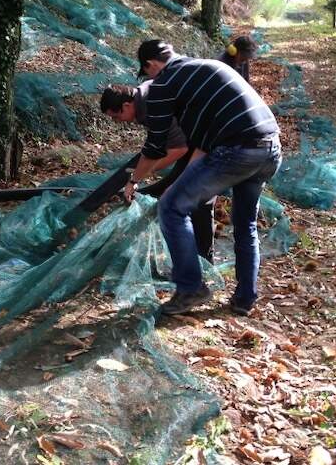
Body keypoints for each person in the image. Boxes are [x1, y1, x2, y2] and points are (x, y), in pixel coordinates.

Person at [126, 39, 281, 316]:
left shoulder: (163, 83)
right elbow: (202, 147)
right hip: (269, 148)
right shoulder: (204, 67)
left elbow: (154, 146)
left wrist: (133, 181)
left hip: (238, 150)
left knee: (171, 208)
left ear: (150, 65)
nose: (148, 79)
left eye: (146, 72)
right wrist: (181, 183)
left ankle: (190, 288)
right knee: (245, 224)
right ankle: (245, 299)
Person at [100, 83, 215, 264]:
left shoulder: (150, 106)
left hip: (215, 136)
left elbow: (178, 150)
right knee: (171, 186)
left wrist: (148, 171)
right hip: (195, 137)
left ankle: (205, 262)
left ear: (126, 106)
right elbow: (154, 147)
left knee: (199, 197)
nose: (118, 121)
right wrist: (135, 179)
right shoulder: (143, 98)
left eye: (116, 116)